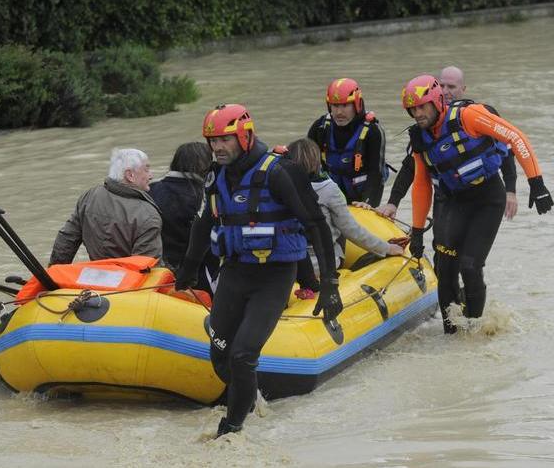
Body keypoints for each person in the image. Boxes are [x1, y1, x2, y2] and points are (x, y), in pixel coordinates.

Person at [173, 104, 340, 438]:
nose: (217, 147)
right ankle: (251, 402)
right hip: (234, 273)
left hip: (274, 276)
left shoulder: (281, 171)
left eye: (225, 139)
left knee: (242, 354)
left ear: (245, 136)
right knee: (220, 356)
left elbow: (316, 225)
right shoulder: (215, 174)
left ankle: (231, 433)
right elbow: (203, 224)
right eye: (212, 141)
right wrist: (188, 270)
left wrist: (330, 285)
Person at [400, 75, 554, 334]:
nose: (418, 114)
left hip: (487, 199)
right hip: (452, 203)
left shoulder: (469, 116)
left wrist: (536, 183)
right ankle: (451, 336)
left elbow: (516, 137)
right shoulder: (419, 139)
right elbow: (422, 185)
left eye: (422, 106)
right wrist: (416, 231)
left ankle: (473, 332)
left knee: (470, 266)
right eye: (412, 109)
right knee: (445, 270)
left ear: (437, 102)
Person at [379, 66, 518, 221]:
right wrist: (393, 203)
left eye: (451, 87)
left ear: (463, 89)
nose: (445, 91)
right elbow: (410, 166)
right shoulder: (425, 125)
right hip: (445, 197)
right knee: (442, 245)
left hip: (481, 193)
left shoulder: (478, 115)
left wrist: (510, 190)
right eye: (442, 86)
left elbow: (506, 147)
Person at [283, 138, 404, 294]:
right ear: (316, 162)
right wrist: (387, 248)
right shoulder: (328, 189)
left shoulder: (278, 188)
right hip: (321, 264)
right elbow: (351, 230)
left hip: (288, 266)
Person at [49, 148, 162, 265]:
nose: (151, 175)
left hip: (97, 277)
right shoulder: (148, 215)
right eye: (146, 169)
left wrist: (52, 275)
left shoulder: (89, 196)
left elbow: (66, 240)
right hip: (129, 281)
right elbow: (146, 267)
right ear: (130, 175)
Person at [149, 142, 219, 296]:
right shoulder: (204, 195)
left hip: (159, 272)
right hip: (196, 274)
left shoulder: (151, 189)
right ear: (204, 165)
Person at [307, 78, 387, 206]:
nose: (339, 112)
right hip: (330, 193)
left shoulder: (373, 131)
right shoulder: (320, 127)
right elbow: (305, 166)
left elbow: (375, 174)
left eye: (345, 105)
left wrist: (368, 202)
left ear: (356, 104)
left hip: (362, 195)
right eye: (335, 105)